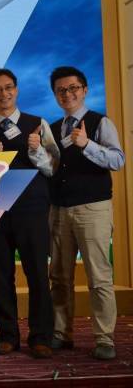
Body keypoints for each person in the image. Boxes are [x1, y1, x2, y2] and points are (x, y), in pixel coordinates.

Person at [0, 68, 59, 359]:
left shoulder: (38, 124)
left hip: (32, 208)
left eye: (8, 87)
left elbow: (53, 168)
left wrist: (36, 151)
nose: (4, 93)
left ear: (17, 90)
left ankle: (41, 337)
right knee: (0, 275)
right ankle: (7, 336)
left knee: (37, 274)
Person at [48, 66, 125, 360]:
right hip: (58, 209)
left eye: (73, 88)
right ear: (55, 95)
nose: (67, 94)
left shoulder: (99, 122)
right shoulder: (52, 128)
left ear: (84, 90)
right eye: (61, 90)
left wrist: (87, 144)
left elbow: (117, 160)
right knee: (59, 276)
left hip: (93, 208)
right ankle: (61, 333)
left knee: (99, 277)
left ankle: (104, 338)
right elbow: (50, 168)